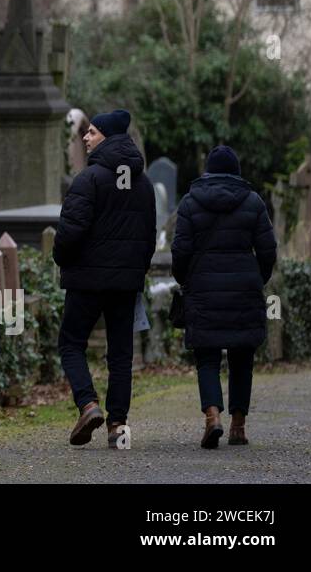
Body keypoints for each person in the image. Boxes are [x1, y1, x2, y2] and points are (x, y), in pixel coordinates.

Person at [53, 109, 156, 447]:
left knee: (70, 343)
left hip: (86, 280)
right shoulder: (142, 183)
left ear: (108, 138)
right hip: (125, 284)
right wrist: (135, 271)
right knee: (121, 354)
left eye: (93, 132)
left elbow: (70, 230)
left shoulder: (90, 178)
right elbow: (148, 236)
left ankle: (88, 403)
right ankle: (118, 427)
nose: (86, 137)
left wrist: (63, 261)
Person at [171, 145, 277, 448]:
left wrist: (185, 279)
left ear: (208, 170)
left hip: (203, 287)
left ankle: (212, 416)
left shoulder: (190, 203)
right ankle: (238, 427)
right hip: (245, 286)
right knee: (243, 356)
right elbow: (268, 249)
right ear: (237, 172)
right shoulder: (254, 202)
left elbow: (180, 250)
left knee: (206, 356)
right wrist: (258, 278)